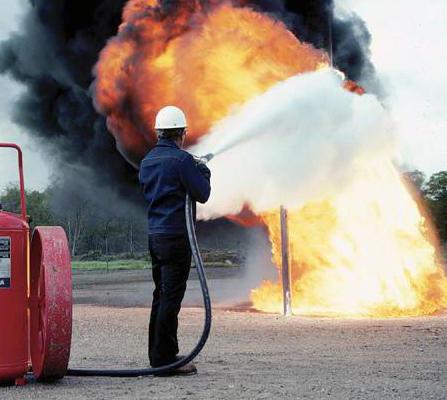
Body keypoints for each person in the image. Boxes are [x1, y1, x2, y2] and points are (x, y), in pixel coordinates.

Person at [139, 106, 211, 376]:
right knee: (171, 298)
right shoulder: (182, 161)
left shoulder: (147, 161)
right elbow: (202, 194)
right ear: (181, 133)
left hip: (155, 236)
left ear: (159, 133)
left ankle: (158, 356)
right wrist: (203, 172)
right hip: (176, 237)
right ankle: (165, 360)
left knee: (161, 295)